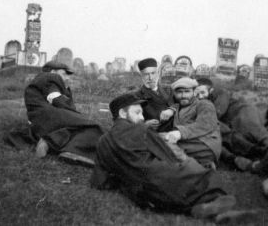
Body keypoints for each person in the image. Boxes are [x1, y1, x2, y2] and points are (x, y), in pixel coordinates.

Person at [90, 93, 237, 220]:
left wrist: (123, 180)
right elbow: (171, 157)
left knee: (160, 189)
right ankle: (208, 203)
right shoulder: (142, 130)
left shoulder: (102, 142)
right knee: (206, 174)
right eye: (137, 113)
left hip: (141, 196)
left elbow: (99, 182)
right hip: (164, 182)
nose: (142, 118)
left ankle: (194, 209)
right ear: (122, 113)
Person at [24, 61, 104, 166]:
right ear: (53, 71)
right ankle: (73, 151)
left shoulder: (41, 80)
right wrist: (78, 116)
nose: (67, 77)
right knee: (92, 125)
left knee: (77, 126)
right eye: (64, 73)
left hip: (40, 120)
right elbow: (54, 98)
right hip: (49, 115)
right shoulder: (50, 77)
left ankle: (48, 141)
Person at [195, 78, 268, 169]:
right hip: (229, 122)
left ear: (211, 90)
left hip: (242, 110)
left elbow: (218, 112)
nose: (199, 95)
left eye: (202, 92)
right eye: (196, 92)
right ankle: (256, 154)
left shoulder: (221, 93)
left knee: (253, 130)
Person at [161, 77, 221, 169]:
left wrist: (179, 133)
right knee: (158, 139)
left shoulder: (204, 104)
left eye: (187, 91)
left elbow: (205, 124)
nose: (183, 95)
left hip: (205, 143)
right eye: (179, 92)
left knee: (161, 140)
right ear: (174, 94)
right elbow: (176, 106)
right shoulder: (178, 106)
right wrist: (170, 110)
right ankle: (202, 164)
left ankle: (190, 167)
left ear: (194, 92)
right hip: (190, 143)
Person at [132, 57, 175, 132]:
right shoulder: (137, 96)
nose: (150, 78)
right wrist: (145, 125)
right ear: (141, 76)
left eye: (153, 73)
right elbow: (130, 121)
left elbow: (179, 104)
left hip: (174, 132)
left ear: (158, 73)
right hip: (153, 135)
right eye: (146, 74)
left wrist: (172, 110)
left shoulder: (169, 89)